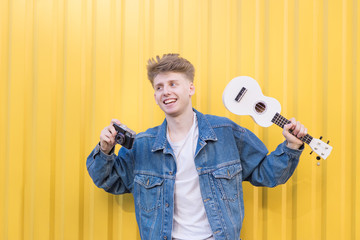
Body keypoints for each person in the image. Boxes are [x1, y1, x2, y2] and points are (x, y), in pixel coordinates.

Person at [86, 54, 307, 240]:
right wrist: (105, 149)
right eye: (159, 87)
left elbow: (265, 173)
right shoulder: (143, 144)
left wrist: (291, 146)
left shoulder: (224, 132)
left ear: (190, 88)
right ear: (155, 96)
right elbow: (110, 180)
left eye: (173, 84)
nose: (166, 92)